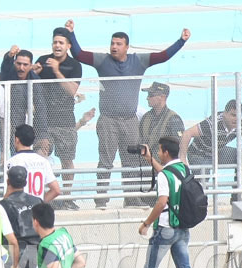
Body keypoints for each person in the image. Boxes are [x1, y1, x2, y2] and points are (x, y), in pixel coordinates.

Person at [65, 19, 191, 208]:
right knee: (105, 162)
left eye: (118, 44)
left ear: (126, 46)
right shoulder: (102, 60)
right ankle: (101, 200)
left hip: (130, 120)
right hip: (108, 120)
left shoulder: (138, 61)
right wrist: (71, 34)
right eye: (112, 43)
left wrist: (181, 41)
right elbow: (78, 54)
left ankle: (132, 198)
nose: (114, 47)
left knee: (132, 161)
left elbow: (163, 56)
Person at [120, 137, 210, 268]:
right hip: (182, 229)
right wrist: (149, 159)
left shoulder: (164, 175)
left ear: (166, 152)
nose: (159, 154)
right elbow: (168, 175)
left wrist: (146, 223)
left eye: (160, 151)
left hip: (165, 229)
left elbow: (162, 202)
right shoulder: (183, 168)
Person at [34, 27, 83, 206]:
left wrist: (56, 71)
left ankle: (67, 198)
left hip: (65, 121)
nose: (57, 45)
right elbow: (30, 83)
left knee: (67, 159)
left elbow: (72, 91)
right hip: (44, 121)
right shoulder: (42, 61)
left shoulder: (75, 65)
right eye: (55, 42)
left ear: (68, 46)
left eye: (61, 42)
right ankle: (44, 197)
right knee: (41, 157)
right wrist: (34, 72)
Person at [180, 99, 242, 202]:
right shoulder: (212, 123)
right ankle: (198, 202)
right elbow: (187, 133)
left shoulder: (241, 125)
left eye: (238, 115)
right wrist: (182, 158)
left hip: (217, 152)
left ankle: (237, 197)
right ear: (225, 113)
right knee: (203, 176)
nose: (236, 119)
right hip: (198, 153)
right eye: (233, 115)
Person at [5, 124, 60, 201]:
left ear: (17, 140)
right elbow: (56, 190)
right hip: (36, 211)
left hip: (20, 209)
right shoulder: (43, 161)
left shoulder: (12, 162)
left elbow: (9, 189)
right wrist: (39, 204)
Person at [0, 46, 39, 151]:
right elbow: (5, 68)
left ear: (31, 66)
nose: (21, 68)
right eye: (18, 64)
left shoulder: (36, 81)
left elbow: (41, 108)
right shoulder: (9, 75)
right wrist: (9, 56)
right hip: (6, 125)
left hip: (28, 129)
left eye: (25, 65)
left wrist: (42, 133)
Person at [139, 82, 184, 162]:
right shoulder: (146, 117)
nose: (147, 98)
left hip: (164, 167)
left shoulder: (173, 118)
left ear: (162, 97)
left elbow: (178, 146)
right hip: (145, 165)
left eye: (151, 95)